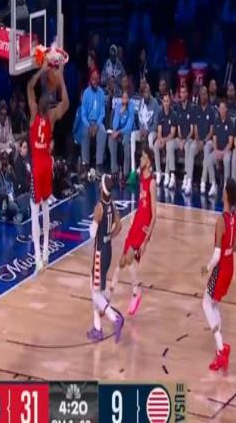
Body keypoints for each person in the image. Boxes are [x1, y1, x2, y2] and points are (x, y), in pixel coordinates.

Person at [27, 61, 69, 271]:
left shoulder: (34, 114)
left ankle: (37, 256)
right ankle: (45, 253)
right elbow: (66, 103)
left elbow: (29, 87)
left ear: (38, 104)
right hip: (46, 164)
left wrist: (42, 70)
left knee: (35, 212)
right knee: (46, 209)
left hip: (37, 166)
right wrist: (60, 77)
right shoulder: (51, 118)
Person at [110, 146, 156, 315]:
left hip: (144, 227)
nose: (140, 159)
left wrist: (146, 240)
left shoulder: (152, 182)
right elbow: (141, 203)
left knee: (130, 258)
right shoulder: (141, 177)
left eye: (143, 157)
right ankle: (109, 292)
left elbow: (154, 214)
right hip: (137, 221)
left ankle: (136, 293)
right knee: (122, 260)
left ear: (149, 161)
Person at [201, 179, 236, 372]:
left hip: (221, 267)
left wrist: (207, 268)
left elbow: (216, 255)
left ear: (226, 195)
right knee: (215, 304)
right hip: (230, 266)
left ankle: (221, 349)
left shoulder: (221, 220)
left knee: (206, 304)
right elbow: (235, 246)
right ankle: (221, 348)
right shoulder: (235, 217)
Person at [87, 174, 124, 343]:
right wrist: (109, 236)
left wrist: (94, 225)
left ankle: (113, 316)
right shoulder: (112, 205)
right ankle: (97, 328)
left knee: (95, 293)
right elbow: (119, 226)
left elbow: (92, 233)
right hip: (108, 250)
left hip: (99, 253)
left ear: (102, 188)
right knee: (97, 289)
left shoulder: (99, 208)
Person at [79, 70, 107, 178]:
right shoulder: (86, 93)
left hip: (98, 122)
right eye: (93, 79)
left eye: (97, 79)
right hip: (88, 122)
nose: (95, 81)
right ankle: (85, 166)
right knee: (84, 132)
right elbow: (83, 113)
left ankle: (99, 165)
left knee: (103, 131)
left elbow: (102, 112)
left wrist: (96, 125)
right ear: (90, 80)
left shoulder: (101, 93)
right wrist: (89, 125)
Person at [207, 100, 234, 197]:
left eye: (223, 108)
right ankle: (213, 184)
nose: (221, 110)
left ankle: (226, 187)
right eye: (220, 108)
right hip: (218, 150)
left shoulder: (230, 122)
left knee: (227, 160)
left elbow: (230, 143)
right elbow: (214, 139)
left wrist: (223, 153)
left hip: (227, 151)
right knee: (209, 159)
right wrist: (216, 150)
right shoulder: (216, 121)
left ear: (226, 109)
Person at [109, 91, 135, 184]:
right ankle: (114, 170)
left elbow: (129, 126)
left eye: (126, 98)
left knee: (126, 142)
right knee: (111, 140)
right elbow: (114, 126)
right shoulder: (118, 106)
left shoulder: (131, 107)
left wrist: (119, 132)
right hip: (119, 131)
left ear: (129, 99)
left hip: (128, 132)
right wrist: (120, 113)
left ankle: (125, 173)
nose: (124, 100)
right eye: (123, 98)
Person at [194, 86, 216, 194]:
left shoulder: (211, 111)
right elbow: (195, 129)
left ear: (207, 95)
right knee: (191, 148)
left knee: (207, 149)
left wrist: (203, 142)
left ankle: (203, 181)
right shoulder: (196, 110)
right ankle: (187, 179)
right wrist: (198, 141)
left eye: (204, 94)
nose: (203, 96)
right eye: (201, 94)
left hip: (209, 141)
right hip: (199, 140)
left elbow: (211, 131)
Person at [176, 85, 197, 195]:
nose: (183, 94)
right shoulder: (178, 108)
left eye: (184, 92)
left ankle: (188, 179)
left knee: (188, 147)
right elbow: (179, 129)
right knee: (175, 145)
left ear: (187, 94)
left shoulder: (191, 108)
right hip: (181, 139)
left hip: (189, 139)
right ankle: (183, 177)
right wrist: (180, 139)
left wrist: (184, 140)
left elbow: (192, 131)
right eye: (181, 92)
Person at [154, 93, 178, 188]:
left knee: (169, 146)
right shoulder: (160, 114)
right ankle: (158, 172)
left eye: (167, 101)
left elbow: (172, 133)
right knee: (156, 145)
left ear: (170, 102)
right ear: (162, 102)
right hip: (163, 138)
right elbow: (159, 130)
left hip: (170, 139)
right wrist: (160, 139)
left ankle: (167, 174)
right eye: (164, 101)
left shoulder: (174, 114)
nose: (166, 103)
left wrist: (164, 140)